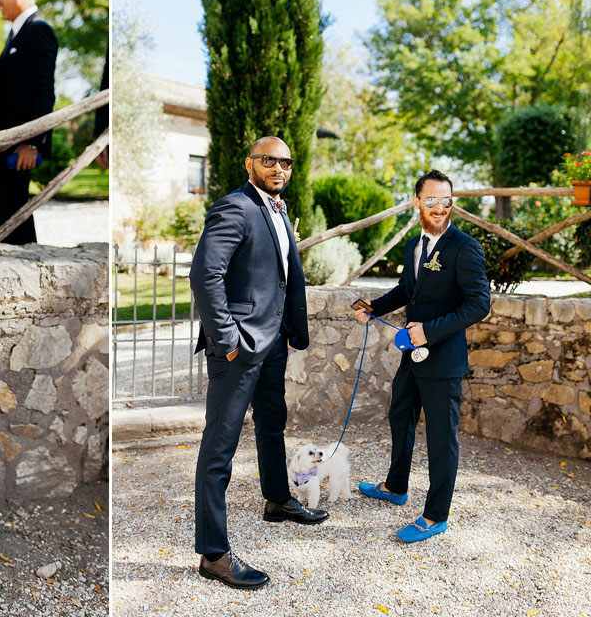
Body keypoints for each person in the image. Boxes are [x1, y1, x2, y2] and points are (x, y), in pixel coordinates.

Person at [189, 136, 326, 590]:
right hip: (240, 348)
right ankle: (213, 553)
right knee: (219, 449)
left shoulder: (277, 210)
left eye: (286, 162)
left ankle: (278, 500)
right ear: (250, 163)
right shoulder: (235, 207)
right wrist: (228, 340)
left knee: (272, 424)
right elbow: (204, 274)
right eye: (269, 160)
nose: (279, 168)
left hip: (273, 344)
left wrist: (285, 333)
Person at [353, 169, 490, 543]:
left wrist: (429, 331)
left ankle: (435, 515)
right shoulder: (414, 246)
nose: (440, 208)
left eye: (446, 201)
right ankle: (396, 486)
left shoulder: (465, 248)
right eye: (431, 200)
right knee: (400, 415)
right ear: (417, 202)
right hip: (411, 357)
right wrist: (374, 306)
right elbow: (407, 290)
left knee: (441, 438)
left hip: (443, 361)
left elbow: (479, 305)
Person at [0, 0, 57, 244]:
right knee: (4, 221)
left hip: (18, 149)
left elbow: (44, 93)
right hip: (2, 147)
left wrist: (32, 143)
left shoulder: (38, 30)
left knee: (17, 224)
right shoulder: (17, 33)